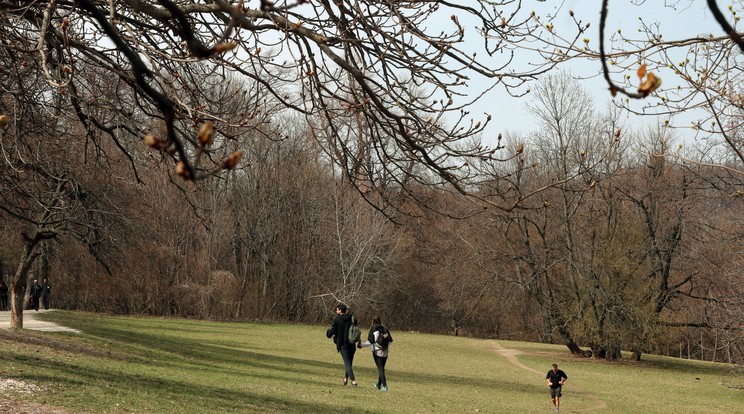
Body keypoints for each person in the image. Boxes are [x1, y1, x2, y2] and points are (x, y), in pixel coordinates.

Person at [326, 303, 360, 386]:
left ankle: (353, 381)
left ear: (340, 310)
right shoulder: (352, 318)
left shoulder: (337, 320)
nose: (336, 311)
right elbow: (356, 331)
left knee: (347, 364)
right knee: (349, 363)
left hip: (342, 345)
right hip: (352, 343)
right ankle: (346, 378)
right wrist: (359, 341)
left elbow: (331, 333)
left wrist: (328, 332)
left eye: (337, 309)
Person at [358, 316, 393, 391]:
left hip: (377, 351)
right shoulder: (385, 328)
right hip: (386, 352)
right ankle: (378, 385)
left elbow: (370, 342)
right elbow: (390, 341)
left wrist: (361, 345)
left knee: (380, 369)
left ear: (373, 321)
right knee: (382, 368)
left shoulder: (373, 328)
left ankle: (385, 386)